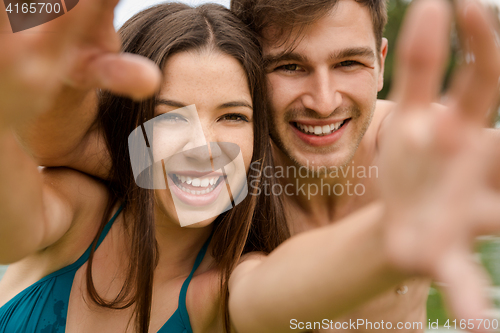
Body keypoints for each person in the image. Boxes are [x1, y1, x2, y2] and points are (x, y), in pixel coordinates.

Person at [2, 0, 500, 333]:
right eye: (290, 66)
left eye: (232, 116)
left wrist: (388, 234)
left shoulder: (226, 284)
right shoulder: (85, 203)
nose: (324, 102)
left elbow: (268, 293)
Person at [228, 0, 500, 330]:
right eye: (289, 66)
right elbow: (248, 307)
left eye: (349, 63)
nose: (324, 102)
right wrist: (387, 234)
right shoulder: (234, 177)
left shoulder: (414, 145)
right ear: (249, 73)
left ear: (381, 65)